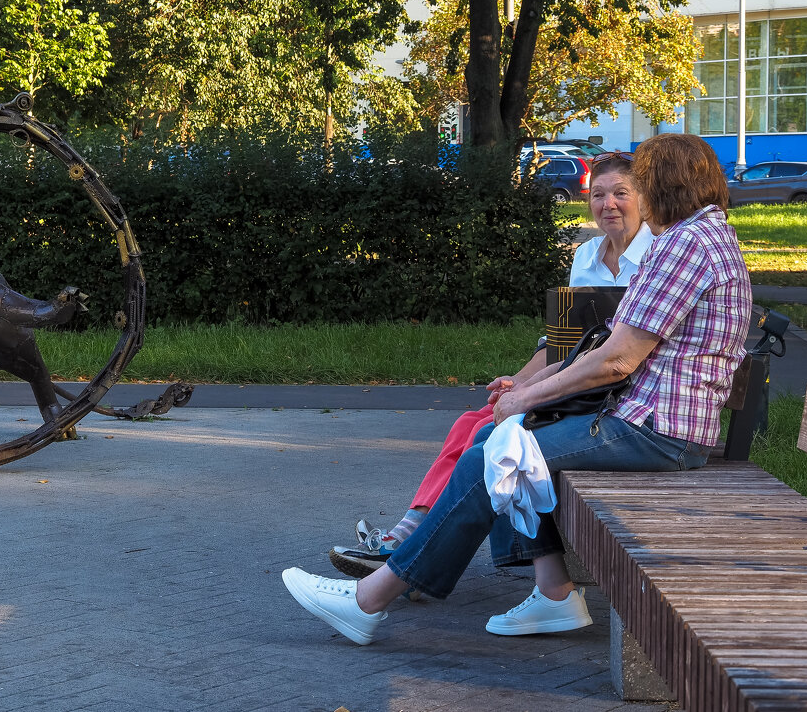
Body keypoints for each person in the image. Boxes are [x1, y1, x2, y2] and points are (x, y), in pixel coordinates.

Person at [283, 133, 752, 645]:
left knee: (496, 457)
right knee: (498, 443)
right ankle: (554, 594)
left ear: (665, 185)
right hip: (653, 421)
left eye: (642, 183)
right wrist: (527, 392)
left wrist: (527, 396)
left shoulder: (685, 245)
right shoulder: (704, 236)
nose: (630, 195)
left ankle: (368, 600)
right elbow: (597, 345)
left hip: (655, 430)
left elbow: (617, 360)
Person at [330, 151, 655, 581]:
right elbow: (563, 343)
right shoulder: (587, 257)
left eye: (620, 193)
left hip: (612, 392)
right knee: (475, 418)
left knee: (495, 433)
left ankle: (409, 544)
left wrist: (531, 392)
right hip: (573, 381)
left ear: (645, 199)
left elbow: (613, 356)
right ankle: (411, 531)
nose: (607, 203)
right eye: (598, 194)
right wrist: (518, 381)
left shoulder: (657, 259)